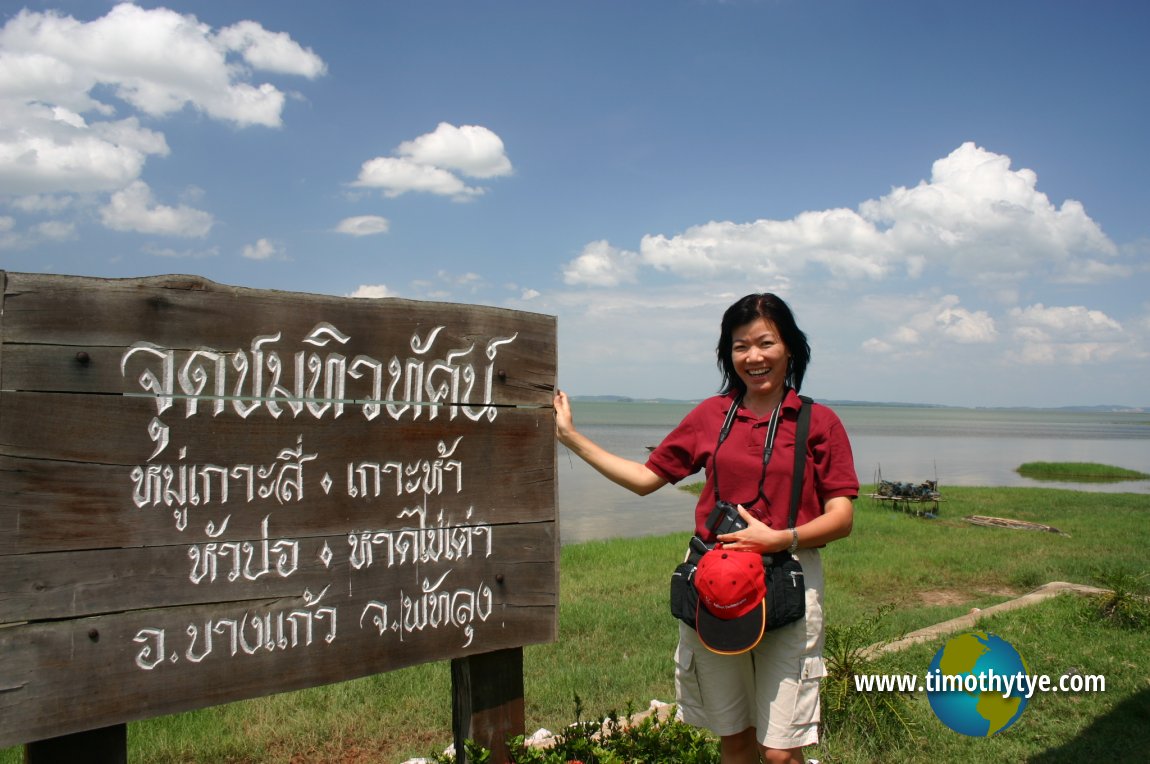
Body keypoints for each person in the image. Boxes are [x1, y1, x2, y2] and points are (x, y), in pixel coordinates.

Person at [553, 293, 858, 764]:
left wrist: (780, 538)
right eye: (740, 347)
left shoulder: (819, 422)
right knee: (734, 737)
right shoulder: (711, 416)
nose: (754, 357)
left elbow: (842, 517)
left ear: (790, 349)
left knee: (780, 750)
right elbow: (644, 480)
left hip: (788, 579)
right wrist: (571, 437)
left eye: (765, 343)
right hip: (716, 587)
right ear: (728, 354)